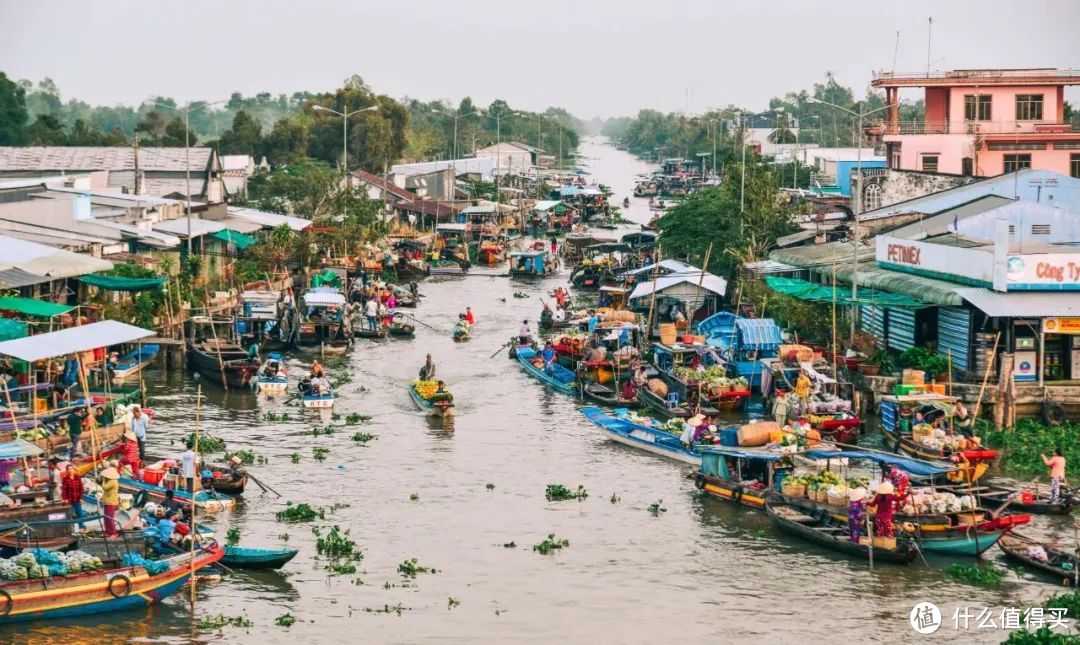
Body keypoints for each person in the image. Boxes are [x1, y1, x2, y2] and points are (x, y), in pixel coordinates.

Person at [61, 464, 85, 532]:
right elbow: (64, 490)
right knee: (71, 515)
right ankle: (72, 530)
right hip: (70, 500)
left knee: (80, 514)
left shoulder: (78, 477)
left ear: (73, 470)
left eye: (71, 468)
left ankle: (81, 528)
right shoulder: (65, 479)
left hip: (77, 499)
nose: (70, 470)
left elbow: (81, 489)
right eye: (69, 469)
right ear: (67, 470)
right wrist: (65, 499)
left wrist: (81, 498)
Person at [100, 467, 120, 538]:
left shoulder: (112, 481)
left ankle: (113, 533)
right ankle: (107, 532)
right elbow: (107, 491)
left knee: (109, 518)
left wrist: (103, 480)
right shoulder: (109, 480)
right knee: (106, 517)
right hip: (107, 501)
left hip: (111, 502)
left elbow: (104, 487)